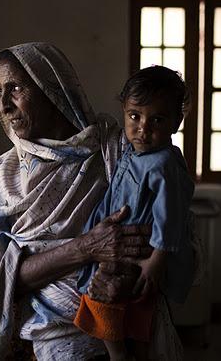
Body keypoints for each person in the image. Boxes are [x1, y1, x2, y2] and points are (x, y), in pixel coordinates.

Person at [0, 43, 185, 360]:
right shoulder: (2, 177)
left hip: (126, 330)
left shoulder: (118, 151)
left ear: (51, 88)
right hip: (41, 343)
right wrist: (86, 248)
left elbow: (173, 225)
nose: (4, 105)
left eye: (15, 89)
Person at [74, 66, 195, 360]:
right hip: (119, 246)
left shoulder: (163, 163)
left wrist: (157, 260)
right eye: (134, 116)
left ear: (176, 122)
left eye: (157, 119)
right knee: (136, 309)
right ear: (124, 112)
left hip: (141, 253)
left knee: (103, 296)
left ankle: (118, 356)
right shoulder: (131, 152)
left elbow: (172, 216)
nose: (143, 127)